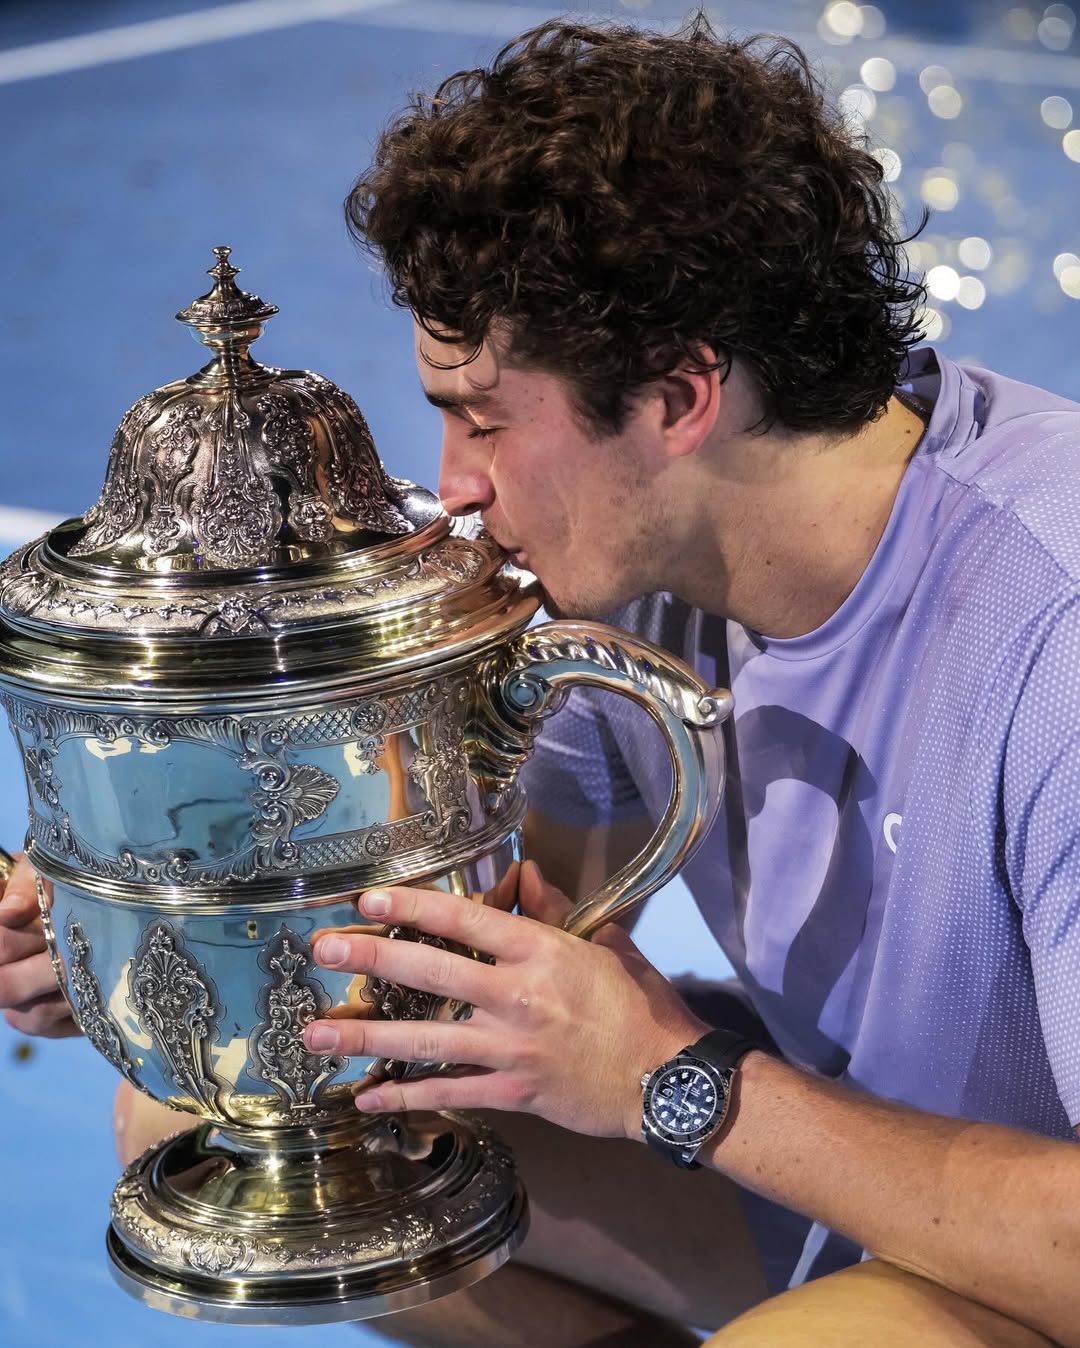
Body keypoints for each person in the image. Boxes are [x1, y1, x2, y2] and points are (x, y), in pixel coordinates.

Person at [3, 15, 1080, 1346]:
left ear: (679, 397)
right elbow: (507, 926)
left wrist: (677, 1081)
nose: (455, 487)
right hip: (851, 1171)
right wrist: (168, 924)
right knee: (205, 1129)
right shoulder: (625, 562)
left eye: (483, 419)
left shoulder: (1053, 637)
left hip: (1034, 1246)